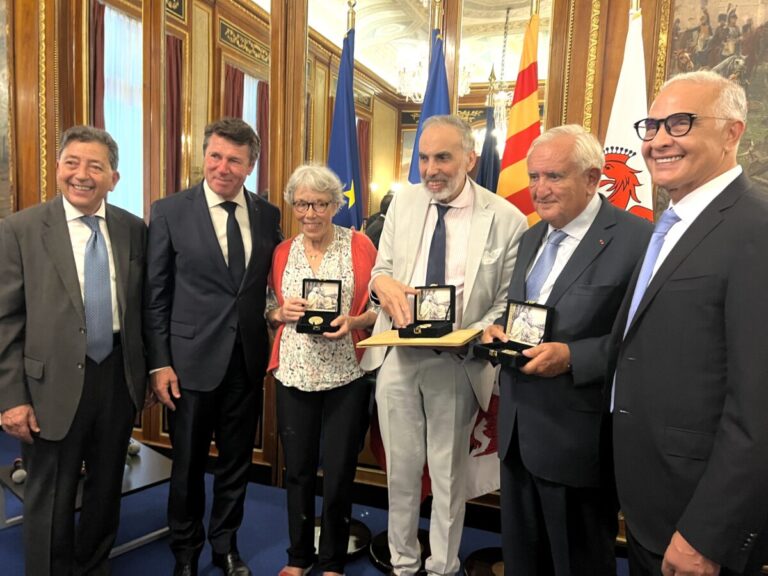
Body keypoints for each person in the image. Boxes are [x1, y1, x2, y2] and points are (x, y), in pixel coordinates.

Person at [610, 70, 768, 576]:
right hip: (649, 501)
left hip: (698, 521)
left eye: (679, 123)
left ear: (731, 132)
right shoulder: (672, 220)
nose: (658, 140)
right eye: (652, 125)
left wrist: (708, 533)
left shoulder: (756, 227)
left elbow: (758, 407)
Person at [480, 125, 652, 576]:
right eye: (534, 176)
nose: (539, 189)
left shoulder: (639, 240)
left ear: (593, 178)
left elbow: (645, 340)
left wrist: (574, 357)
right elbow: (523, 315)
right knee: (522, 561)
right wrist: (497, 331)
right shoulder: (532, 237)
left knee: (577, 564)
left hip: (577, 441)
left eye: (553, 176)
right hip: (516, 434)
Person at [361, 114, 527, 576]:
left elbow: (506, 302)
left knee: (448, 477)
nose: (431, 168)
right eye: (424, 157)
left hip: (458, 362)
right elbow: (381, 269)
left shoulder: (507, 218)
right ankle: (403, 563)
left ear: (470, 159)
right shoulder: (404, 204)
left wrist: (473, 334)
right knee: (401, 472)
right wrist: (383, 286)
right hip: (398, 354)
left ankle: (442, 567)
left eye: (443, 157)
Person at [0, 125, 147, 574]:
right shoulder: (20, 229)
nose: (82, 175)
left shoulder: (133, 229)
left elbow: (143, 308)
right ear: (58, 168)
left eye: (95, 166)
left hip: (117, 377)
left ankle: (94, 565)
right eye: (72, 163)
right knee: (51, 494)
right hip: (50, 384)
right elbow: (5, 319)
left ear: (114, 178)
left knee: (106, 488)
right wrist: (12, 398)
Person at [144, 117, 282, 576]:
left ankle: (226, 546)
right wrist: (159, 363)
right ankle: (185, 553)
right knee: (186, 468)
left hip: (245, 362)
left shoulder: (267, 215)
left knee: (236, 465)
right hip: (188, 365)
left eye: (234, 160)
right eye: (215, 156)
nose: (222, 167)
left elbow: (267, 286)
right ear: (203, 156)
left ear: (250, 166)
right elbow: (156, 295)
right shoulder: (168, 211)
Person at [266, 164, 378, 576]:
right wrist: (280, 311)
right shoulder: (282, 252)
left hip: (346, 375)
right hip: (294, 373)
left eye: (318, 204)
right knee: (296, 471)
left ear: (335, 205)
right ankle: (298, 557)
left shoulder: (361, 245)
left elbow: (380, 308)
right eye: (301, 204)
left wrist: (354, 322)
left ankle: (331, 560)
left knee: (338, 473)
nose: (309, 213)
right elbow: (267, 309)